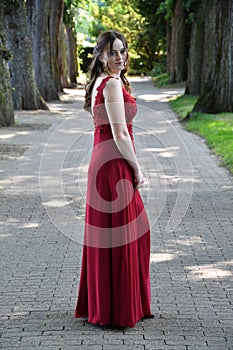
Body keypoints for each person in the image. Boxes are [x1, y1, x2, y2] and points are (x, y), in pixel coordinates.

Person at [74, 30, 153, 327]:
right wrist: (137, 168)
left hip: (103, 160)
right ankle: (118, 310)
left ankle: (120, 304)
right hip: (113, 164)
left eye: (122, 51)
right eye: (113, 52)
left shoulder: (104, 81)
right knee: (128, 233)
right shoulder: (110, 85)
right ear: (101, 56)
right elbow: (120, 133)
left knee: (130, 232)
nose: (120, 57)